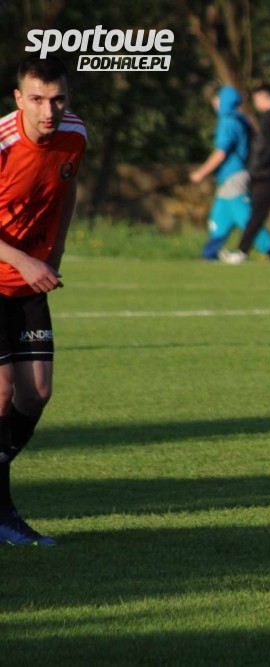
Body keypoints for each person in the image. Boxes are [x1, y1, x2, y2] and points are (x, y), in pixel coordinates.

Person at [0, 56, 87, 546]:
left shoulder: (76, 134)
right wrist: (25, 261)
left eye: (57, 100)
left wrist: (54, 252)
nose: (48, 111)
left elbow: (66, 189)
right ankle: (3, 513)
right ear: (19, 99)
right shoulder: (2, 143)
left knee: (36, 393)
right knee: (1, 392)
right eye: (37, 99)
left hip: (28, 280)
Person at [190, 84, 270, 262]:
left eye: (217, 100)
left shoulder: (228, 122)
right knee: (220, 215)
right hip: (228, 177)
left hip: (234, 176)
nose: (215, 104)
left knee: (244, 216)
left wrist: (201, 172)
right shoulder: (240, 119)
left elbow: (221, 153)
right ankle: (209, 253)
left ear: (224, 101)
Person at [220, 82, 270, 265]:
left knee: (257, 216)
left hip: (267, 176)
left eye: (256, 99)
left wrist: (258, 167)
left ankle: (241, 252)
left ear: (263, 97)